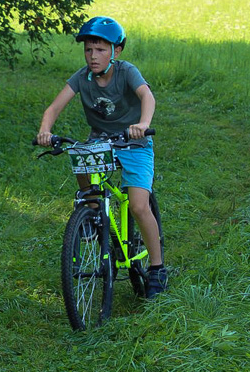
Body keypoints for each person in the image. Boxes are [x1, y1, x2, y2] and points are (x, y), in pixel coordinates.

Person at [36, 16, 167, 299]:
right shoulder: (81, 78)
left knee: (138, 205)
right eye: (88, 50)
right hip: (102, 140)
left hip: (134, 143)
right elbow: (53, 108)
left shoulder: (126, 72)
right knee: (80, 154)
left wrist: (143, 124)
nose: (93, 56)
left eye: (100, 50)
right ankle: (93, 213)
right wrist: (45, 130)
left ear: (116, 51)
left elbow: (147, 96)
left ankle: (157, 268)